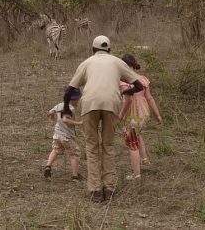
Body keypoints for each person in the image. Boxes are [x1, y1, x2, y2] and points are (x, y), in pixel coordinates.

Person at [63, 35, 145, 203]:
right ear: (109, 49)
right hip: (111, 105)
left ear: (93, 50)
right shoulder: (117, 62)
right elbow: (139, 85)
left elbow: (69, 90)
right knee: (108, 146)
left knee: (92, 147)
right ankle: (109, 188)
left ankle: (95, 191)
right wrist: (125, 92)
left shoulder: (86, 63)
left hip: (89, 105)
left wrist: (66, 110)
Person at [119, 53, 162, 181]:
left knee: (132, 144)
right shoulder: (143, 79)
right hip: (144, 114)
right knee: (137, 135)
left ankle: (136, 174)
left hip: (132, 115)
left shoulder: (123, 82)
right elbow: (150, 98)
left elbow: (128, 101)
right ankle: (144, 159)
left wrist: (120, 115)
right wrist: (158, 115)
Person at [44, 88, 83, 181]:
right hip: (67, 137)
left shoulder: (59, 105)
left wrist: (52, 117)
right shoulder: (71, 108)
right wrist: (79, 123)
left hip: (57, 134)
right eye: (78, 99)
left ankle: (48, 166)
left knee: (55, 150)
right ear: (74, 99)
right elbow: (65, 119)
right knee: (74, 154)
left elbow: (49, 113)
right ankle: (75, 176)